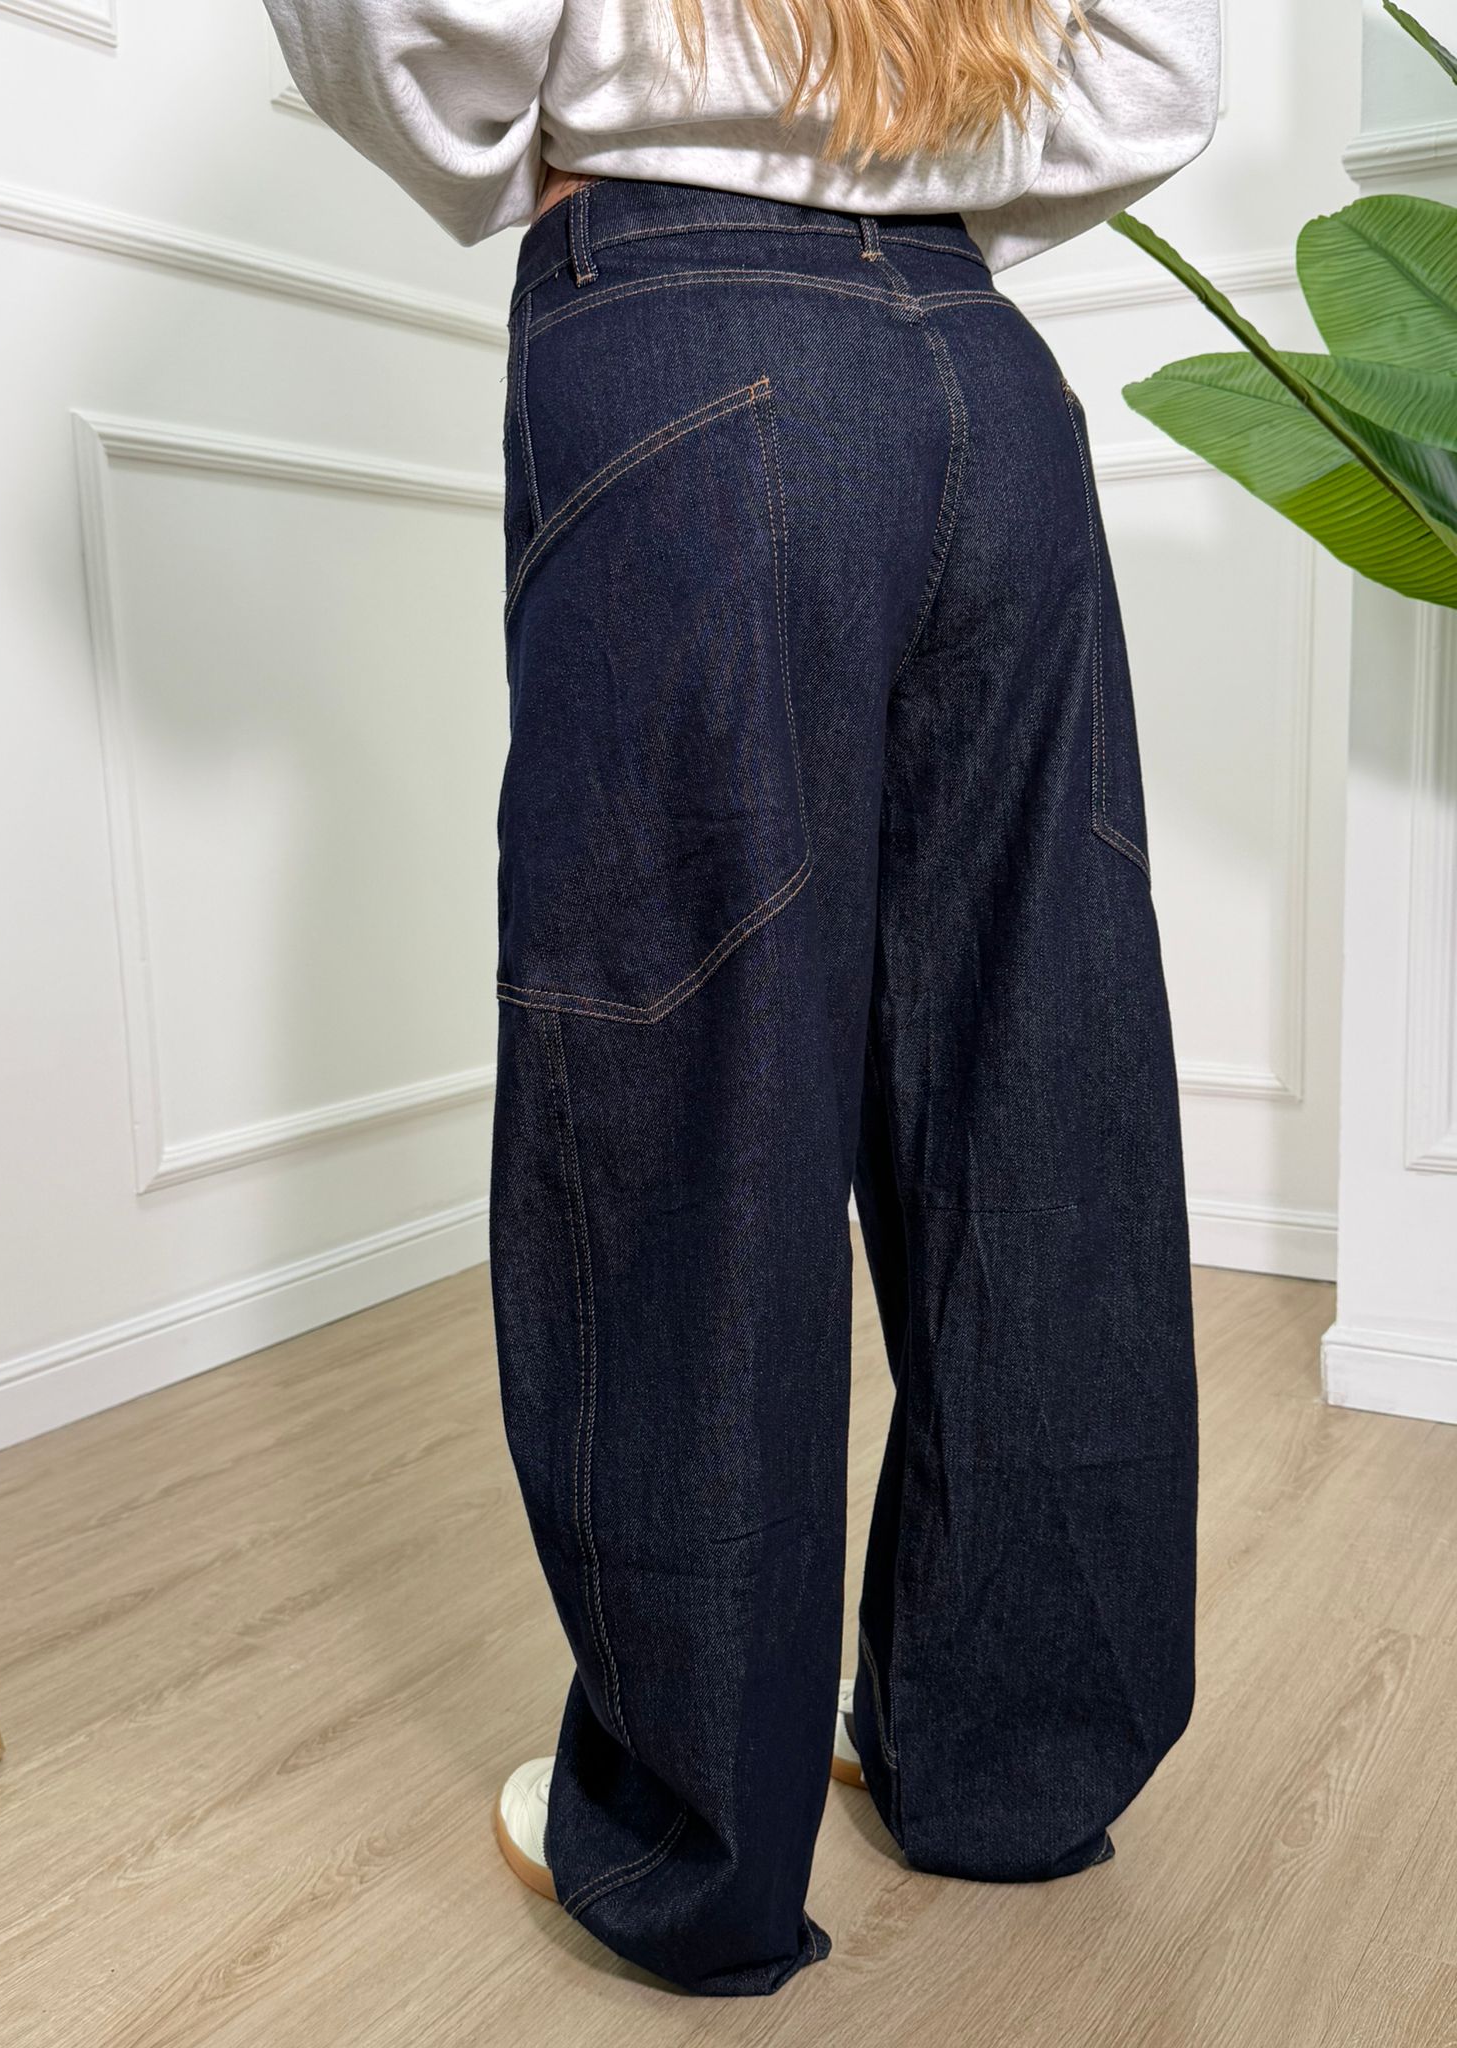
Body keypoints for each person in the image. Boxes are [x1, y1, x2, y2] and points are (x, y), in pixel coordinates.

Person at [261, 0, 1221, 1999]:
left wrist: (516, 152)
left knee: (694, 1100)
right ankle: (1010, 1761)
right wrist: (916, 178)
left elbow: (415, 24)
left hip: (682, 337)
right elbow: (1160, 72)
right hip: (983, 381)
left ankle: (692, 1844)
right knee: (1033, 1078)